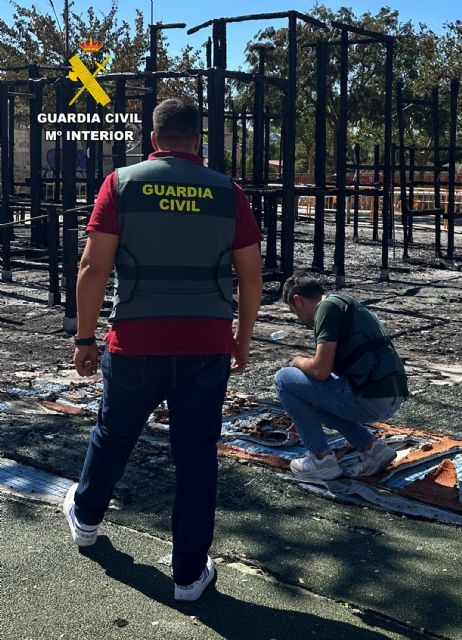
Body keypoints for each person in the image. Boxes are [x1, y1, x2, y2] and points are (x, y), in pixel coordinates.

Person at [63, 99, 263, 601]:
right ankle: (189, 576)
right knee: (196, 457)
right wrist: (240, 339)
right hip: (206, 345)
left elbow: (92, 268)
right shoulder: (228, 192)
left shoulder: (121, 184)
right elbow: (252, 275)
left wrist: (85, 339)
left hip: (135, 342)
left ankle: (86, 519)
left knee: (113, 434)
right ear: (199, 139)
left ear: (153, 139)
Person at [274, 275, 408, 481]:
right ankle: (373, 448)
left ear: (298, 300)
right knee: (314, 400)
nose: (300, 320)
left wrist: (297, 360)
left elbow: (320, 371)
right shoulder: (344, 302)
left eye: (295, 312)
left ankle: (321, 460)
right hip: (391, 394)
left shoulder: (325, 309)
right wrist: (302, 416)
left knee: (283, 379)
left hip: (371, 397)